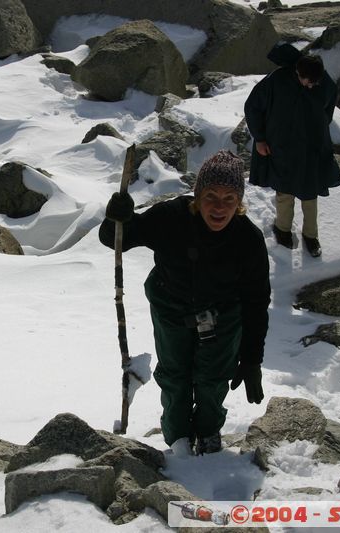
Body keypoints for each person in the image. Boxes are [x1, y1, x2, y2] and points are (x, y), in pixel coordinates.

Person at [99, 150, 271, 456]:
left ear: (239, 202)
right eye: (211, 196)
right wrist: (116, 217)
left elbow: (257, 302)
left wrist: (252, 357)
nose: (219, 207)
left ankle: (208, 434)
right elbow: (118, 239)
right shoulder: (172, 217)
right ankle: (178, 441)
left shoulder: (248, 239)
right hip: (171, 311)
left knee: (213, 379)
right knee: (175, 378)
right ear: (198, 195)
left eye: (229, 198)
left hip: (223, 318)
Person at [244, 43, 340, 258]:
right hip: (281, 147)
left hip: (311, 149)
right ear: (298, 72)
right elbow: (253, 107)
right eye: (307, 81)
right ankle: (282, 229)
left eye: (314, 83)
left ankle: (311, 236)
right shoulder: (276, 81)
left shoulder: (324, 83)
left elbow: (327, 113)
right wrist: (260, 139)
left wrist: (315, 129)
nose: (310, 86)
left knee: (310, 194)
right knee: (285, 191)